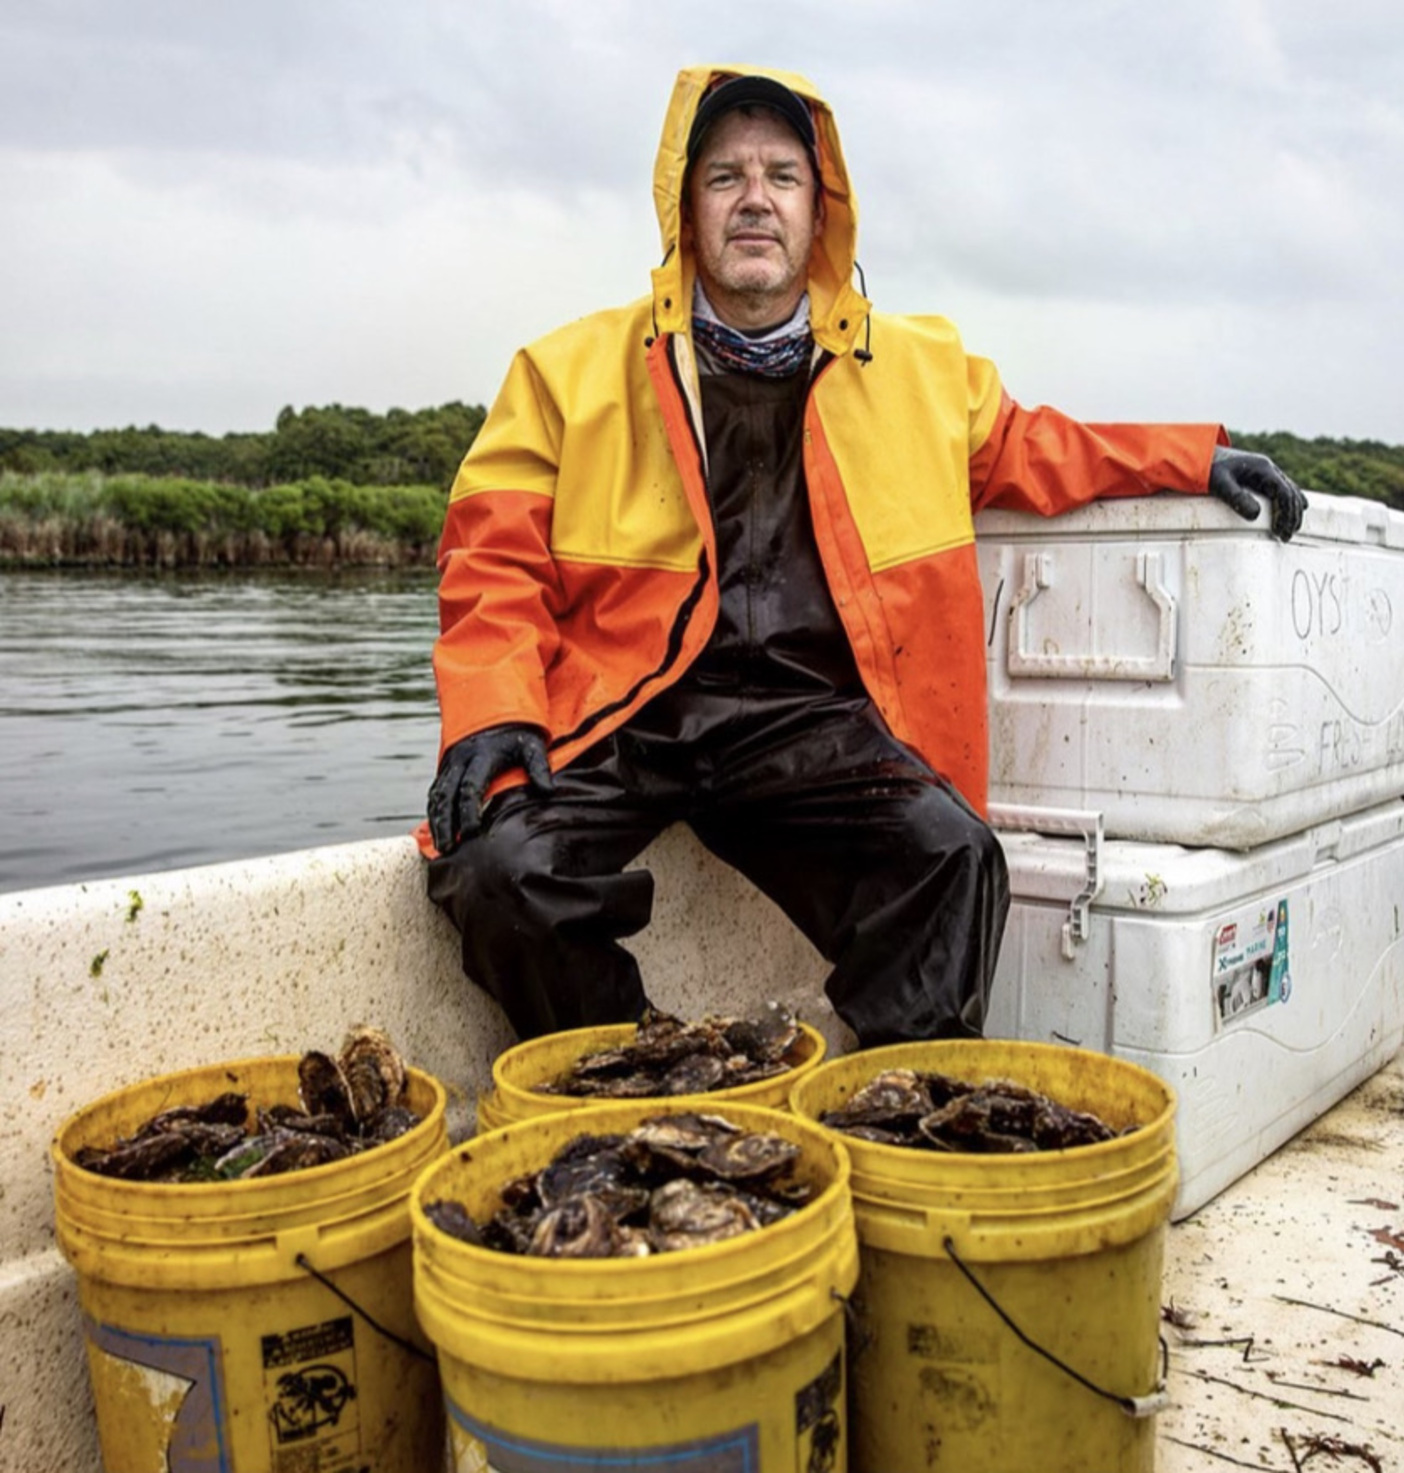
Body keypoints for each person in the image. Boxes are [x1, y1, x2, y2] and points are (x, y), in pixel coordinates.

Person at [419, 65, 1306, 1047]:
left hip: (808, 723)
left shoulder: (923, 368)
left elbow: (1044, 448)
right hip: (633, 710)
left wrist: (1192, 457)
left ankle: (883, 1112)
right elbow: (492, 560)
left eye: (780, 176)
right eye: (724, 177)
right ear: (685, 207)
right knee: (494, 870)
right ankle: (638, 1074)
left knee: (955, 856)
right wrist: (493, 708)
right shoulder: (563, 370)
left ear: (819, 207)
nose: (754, 198)